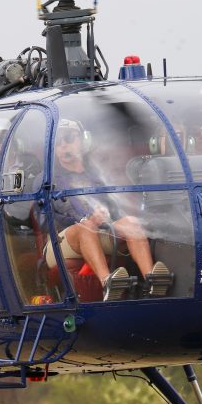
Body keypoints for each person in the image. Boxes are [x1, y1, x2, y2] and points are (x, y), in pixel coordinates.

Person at [49, 118, 172, 301]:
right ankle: (108, 283)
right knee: (86, 227)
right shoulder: (50, 178)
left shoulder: (97, 172)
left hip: (100, 230)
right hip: (60, 240)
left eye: (68, 138)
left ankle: (152, 281)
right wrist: (87, 219)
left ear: (83, 140)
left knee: (130, 223)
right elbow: (57, 214)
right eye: (57, 142)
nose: (63, 145)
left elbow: (115, 205)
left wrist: (108, 216)